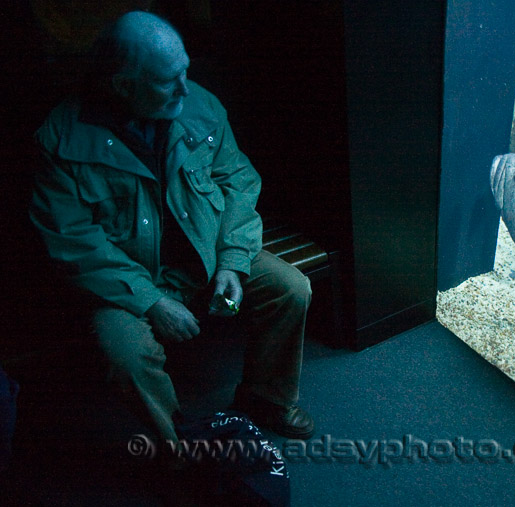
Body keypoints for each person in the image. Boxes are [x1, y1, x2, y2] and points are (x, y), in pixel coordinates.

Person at [29, 10, 315, 444]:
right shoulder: (60, 141)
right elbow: (74, 244)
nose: (185, 87)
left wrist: (232, 263)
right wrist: (151, 302)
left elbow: (238, 181)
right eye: (168, 79)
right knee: (127, 354)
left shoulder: (199, 106)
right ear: (123, 85)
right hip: (129, 280)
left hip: (208, 255)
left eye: (186, 70)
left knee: (291, 289)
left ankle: (267, 399)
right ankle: (177, 447)